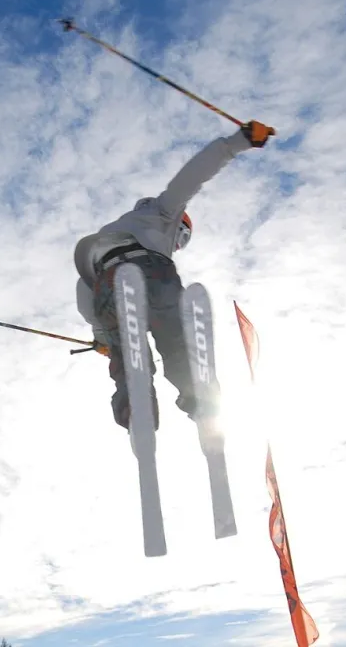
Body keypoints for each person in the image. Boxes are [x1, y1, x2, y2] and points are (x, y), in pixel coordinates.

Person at [74, 121, 272, 441]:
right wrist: (239, 141)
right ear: (180, 229)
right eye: (180, 242)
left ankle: (136, 405)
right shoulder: (163, 212)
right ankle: (200, 399)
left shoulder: (107, 235)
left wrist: (103, 338)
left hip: (108, 281)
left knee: (128, 354)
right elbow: (190, 178)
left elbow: (86, 291)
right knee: (177, 344)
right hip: (152, 272)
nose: (177, 246)